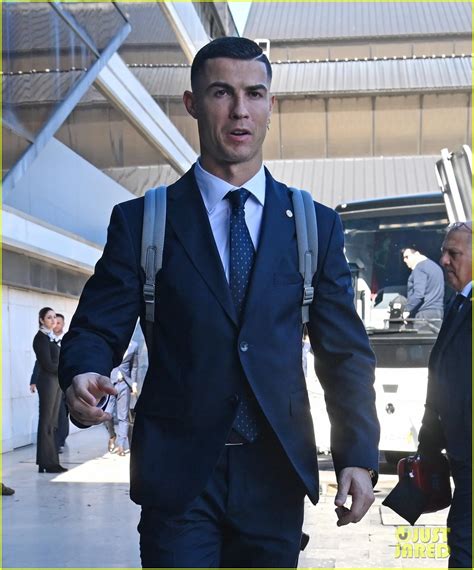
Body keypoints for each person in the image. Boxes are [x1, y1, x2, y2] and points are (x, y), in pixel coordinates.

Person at [59, 37, 379, 568]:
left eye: (255, 94)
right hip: (179, 476)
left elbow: (344, 352)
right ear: (192, 104)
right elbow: (96, 326)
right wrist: (83, 371)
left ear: (270, 105)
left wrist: (358, 455)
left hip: (274, 473)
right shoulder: (142, 224)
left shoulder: (314, 227)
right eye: (221, 93)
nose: (239, 110)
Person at [417, 221, 472, 568]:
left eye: (454, 253)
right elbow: (442, 377)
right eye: (443, 252)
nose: (444, 261)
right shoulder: (459, 303)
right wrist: (429, 444)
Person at [32, 307, 67, 474]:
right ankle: (46, 462)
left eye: (54, 317)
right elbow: (46, 364)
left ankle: (51, 461)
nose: (53, 320)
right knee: (46, 421)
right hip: (47, 383)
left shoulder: (50, 338)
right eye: (49, 318)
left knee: (53, 423)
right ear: (41, 320)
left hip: (55, 382)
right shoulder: (40, 339)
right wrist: (63, 370)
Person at [105, 339, 139, 456]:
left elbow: (134, 366)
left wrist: (133, 383)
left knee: (123, 416)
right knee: (107, 414)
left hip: (124, 383)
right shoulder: (112, 341)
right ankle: (112, 435)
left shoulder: (134, 345)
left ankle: (121, 446)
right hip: (110, 382)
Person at [401, 247, 444, 331]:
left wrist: (407, 310)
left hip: (424, 315)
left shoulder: (419, 268)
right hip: (438, 314)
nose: (404, 260)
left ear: (417, 254)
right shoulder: (436, 268)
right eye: (403, 258)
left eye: (407, 257)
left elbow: (419, 294)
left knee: (420, 343)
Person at [52, 314, 69, 453]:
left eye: (58, 323)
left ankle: (61, 438)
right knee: (59, 413)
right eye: (54, 322)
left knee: (65, 413)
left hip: (67, 383)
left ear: (63, 324)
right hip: (52, 384)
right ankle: (57, 442)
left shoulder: (68, 340)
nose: (55, 325)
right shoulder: (48, 340)